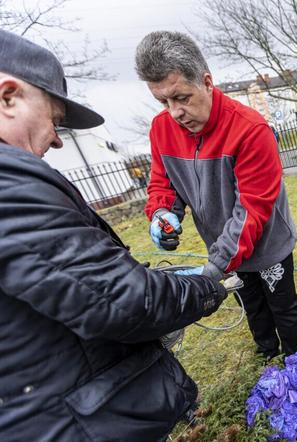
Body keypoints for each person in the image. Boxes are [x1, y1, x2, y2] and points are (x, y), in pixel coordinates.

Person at [0, 30, 227, 441]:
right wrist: (165, 216)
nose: (55, 137)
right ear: (8, 97)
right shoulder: (9, 184)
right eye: (54, 118)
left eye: (181, 98)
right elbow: (123, 300)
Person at [135, 31, 297, 358]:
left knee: (283, 309)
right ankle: (267, 357)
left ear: (207, 82)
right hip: (223, 246)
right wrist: (162, 213)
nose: (174, 112)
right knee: (253, 307)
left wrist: (213, 269)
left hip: (268, 244)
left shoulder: (250, 130)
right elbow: (164, 182)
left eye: (182, 97)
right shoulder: (161, 129)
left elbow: (251, 211)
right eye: (163, 102)